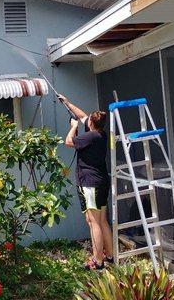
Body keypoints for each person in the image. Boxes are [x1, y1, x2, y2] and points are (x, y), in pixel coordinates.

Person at [59, 95, 113, 270]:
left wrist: (73, 127)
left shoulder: (89, 137)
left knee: (93, 222)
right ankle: (110, 255)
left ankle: (98, 261)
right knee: (102, 220)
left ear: (91, 124)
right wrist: (67, 103)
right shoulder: (101, 134)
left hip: (90, 184)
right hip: (101, 181)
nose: (85, 120)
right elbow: (82, 115)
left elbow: (68, 142)